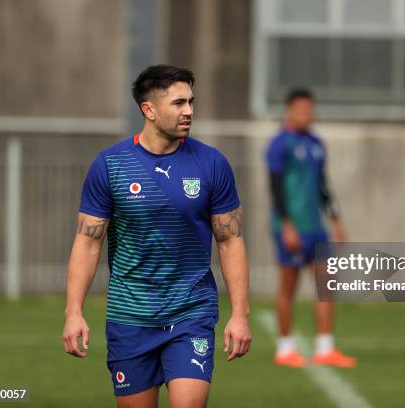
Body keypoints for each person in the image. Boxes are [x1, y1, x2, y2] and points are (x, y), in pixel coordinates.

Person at [62, 64, 252, 408]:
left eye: (191, 102)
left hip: (191, 313)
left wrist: (240, 314)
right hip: (130, 315)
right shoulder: (110, 165)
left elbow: (230, 240)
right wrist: (73, 311)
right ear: (148, 110)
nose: (189, 111)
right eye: (178, 103)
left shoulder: (212, 164)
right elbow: (88, 241)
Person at [265, 88, 356, 368]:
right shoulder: (279, 144)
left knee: (326, 285)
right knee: (288, 287)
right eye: (303, 109)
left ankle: (325, 347)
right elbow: (276, 188)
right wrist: (288, 225)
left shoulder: (317, 143)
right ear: (290, 111)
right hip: (291, 228)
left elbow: (323, 186)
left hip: (317, 228)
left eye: (311, 109)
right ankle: (284, 348)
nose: (309, 114)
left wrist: (336, 220)